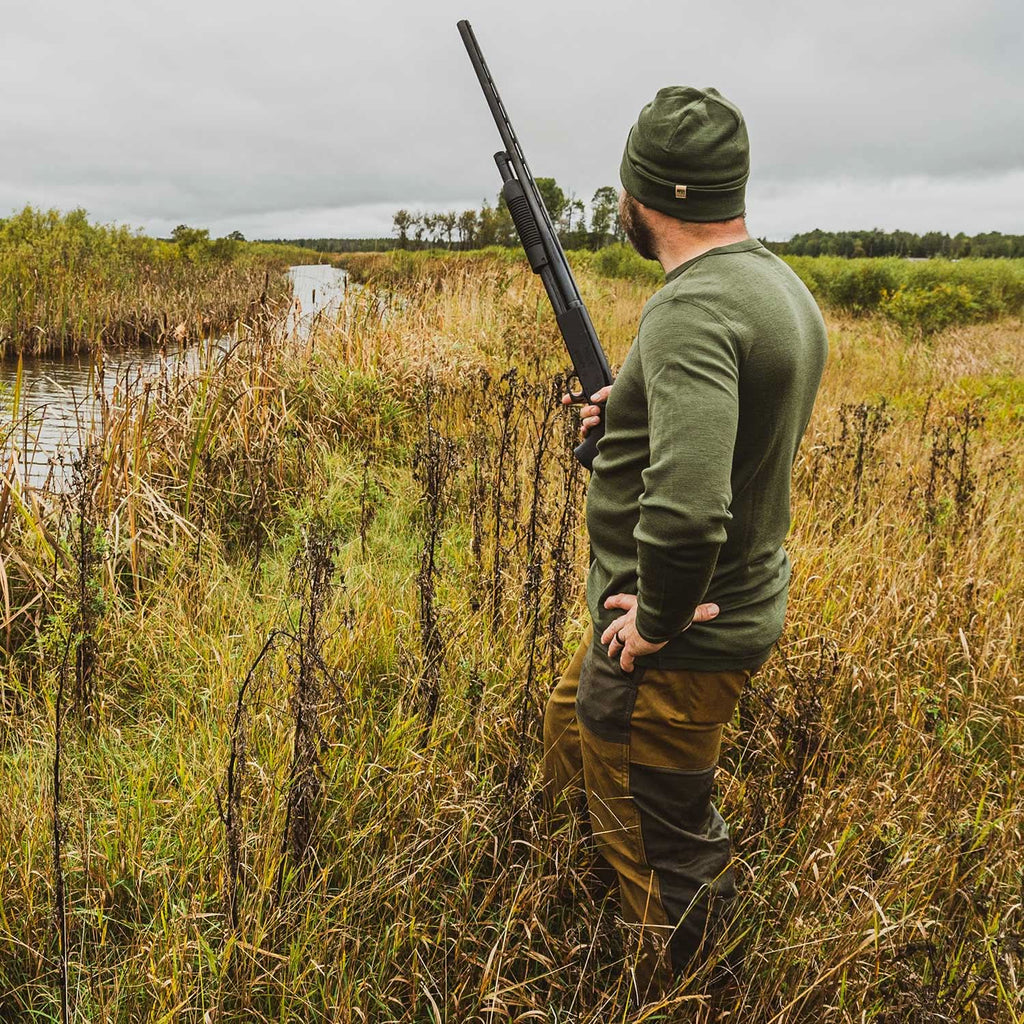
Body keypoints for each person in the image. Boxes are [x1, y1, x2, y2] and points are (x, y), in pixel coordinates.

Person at [542, 85, 829, 1000]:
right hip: (735, 601)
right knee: (571, 726)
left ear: (643, 195)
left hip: (676, 637)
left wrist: (658, 619)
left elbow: (693, 507)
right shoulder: (774, 287)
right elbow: (735, 426)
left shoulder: (691, 311)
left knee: (668, 850)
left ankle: (696, 994)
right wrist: (629, 407)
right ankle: (565, 899)